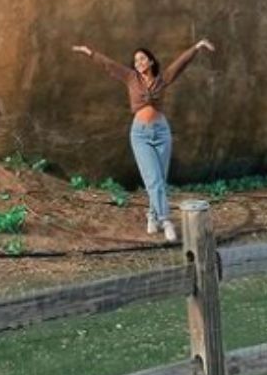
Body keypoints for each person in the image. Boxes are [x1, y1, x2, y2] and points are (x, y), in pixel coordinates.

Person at [71, 39, 216, 242]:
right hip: (140, 134)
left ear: (150, 61)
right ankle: (166, 221)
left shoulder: (162, 79)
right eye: (135, 60)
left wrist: (197, 47)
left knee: (159, 179)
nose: (138, 62)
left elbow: (179, 64)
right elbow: (109, 65)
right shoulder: (131, 78)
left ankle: (152, 216)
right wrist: (89, 52)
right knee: (154, 179)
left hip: (162, 132)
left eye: (142, 58)